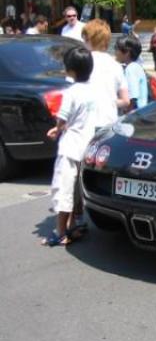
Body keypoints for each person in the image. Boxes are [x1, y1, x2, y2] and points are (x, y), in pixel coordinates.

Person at [41, 46, 96, 246]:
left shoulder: (71, 92)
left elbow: (62, 120)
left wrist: (56, 130)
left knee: (63, 190)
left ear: (71, 70)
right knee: (77, 191)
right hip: (86, 146)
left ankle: (60, 231)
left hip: (70, 147)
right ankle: (76, 224)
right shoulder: (92, 91)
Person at [82, 19, 129, 130]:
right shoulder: (116, 65)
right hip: (110, 122)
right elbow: (126, 101)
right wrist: (109, 102)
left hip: (86, 123)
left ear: (89, 39)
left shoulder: (81, 62)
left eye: (84, 39)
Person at [115, 35, 148, 110]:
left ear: (127, 52)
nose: (115, 52)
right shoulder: (136, 66)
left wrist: (127, 113)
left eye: (117, 49)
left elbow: (132, 97)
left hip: (135, 113)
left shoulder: (131, 69)